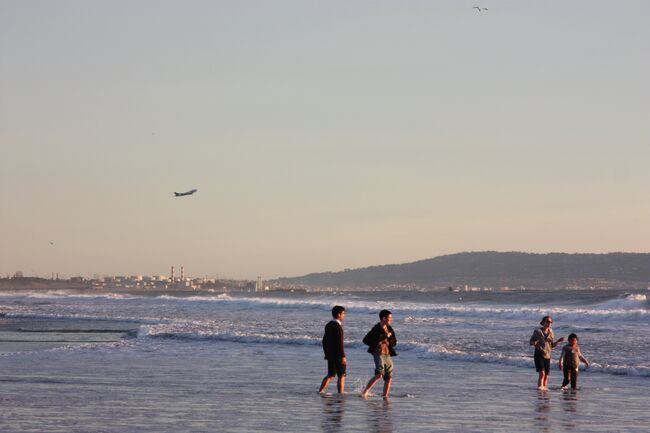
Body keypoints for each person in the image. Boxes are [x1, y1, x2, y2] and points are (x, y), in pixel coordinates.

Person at [361, 309, 397, 399]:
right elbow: (365, 340)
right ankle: (365, 392)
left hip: (388, 353)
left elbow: (394, 341)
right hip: (378, 353)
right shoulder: (376, 328)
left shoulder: (390, 328)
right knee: (379, 374)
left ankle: (385, 396)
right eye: (389, 318)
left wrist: (390, 340)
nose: (391, 319)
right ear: (384, 318)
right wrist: (381, 339)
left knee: (389, 376)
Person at [530, 315, 564, 390]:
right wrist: (534, 343)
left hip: (548, 355)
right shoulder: (538, 331)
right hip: (539, 353)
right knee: (542, 374)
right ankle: (540, 389)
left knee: (546, 376)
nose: (549, 323)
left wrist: (558, 341)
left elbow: (552, 345)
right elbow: (530, 342)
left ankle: (544, 389)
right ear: (543, 322)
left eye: (551, 322)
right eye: (548, 321)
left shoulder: (551, 332)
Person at [319, 305, 347, 394]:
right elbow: (340, 343)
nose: (344, 315)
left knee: (331, 375)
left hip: (330, 354)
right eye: (343, 314)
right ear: (339, 314)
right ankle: (341, 394)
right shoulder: (338, 327)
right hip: (338, 355)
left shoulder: (328, 325)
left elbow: (324, 341)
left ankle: (320, 391)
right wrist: (343, 356)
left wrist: (326, 353)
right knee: (341, 375)